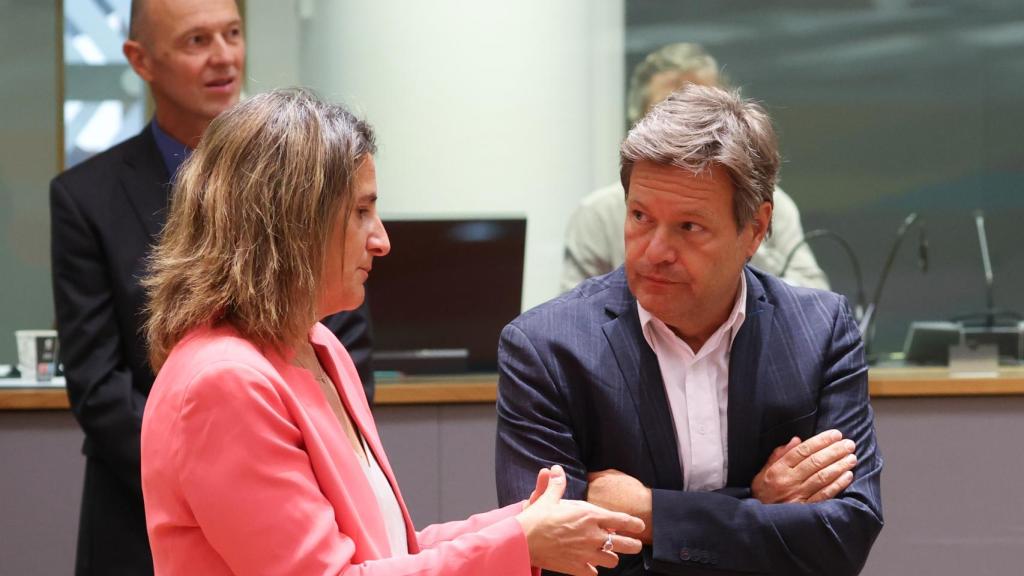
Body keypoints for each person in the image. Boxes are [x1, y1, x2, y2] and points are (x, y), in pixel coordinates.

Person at [139, 88, 644, 576]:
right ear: (291, 220)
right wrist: (519, 542)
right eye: (361, 211)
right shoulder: (223, 381)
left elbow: (389, 552)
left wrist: (523, 526)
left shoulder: (320, 345)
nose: (381, 240)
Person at [496, 85, 883, 575]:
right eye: (640, 217)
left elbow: (843, 538)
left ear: (756, 230)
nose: (654, 250)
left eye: (689, 227)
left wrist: (655, 514)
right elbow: (554, 557)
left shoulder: (819, 330)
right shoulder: (547, 348)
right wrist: (758, 501)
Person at [48, 1, 373, 574]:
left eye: (232, 34)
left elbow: (337, 333)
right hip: (134, 517)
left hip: (302, 486)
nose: (223, 57)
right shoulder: (86, 198)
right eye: (197, 41)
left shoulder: (307, 177)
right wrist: (191, 469)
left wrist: (302, 458)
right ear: (139, 60)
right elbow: (98, 385)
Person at [561, 42, 828, 293]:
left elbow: (812, 303)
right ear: (638, 125)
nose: (686, 132)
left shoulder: (769, 206)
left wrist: (739, 236)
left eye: (703, 118)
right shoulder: (598, 214)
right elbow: (570, 320)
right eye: (641, 216)